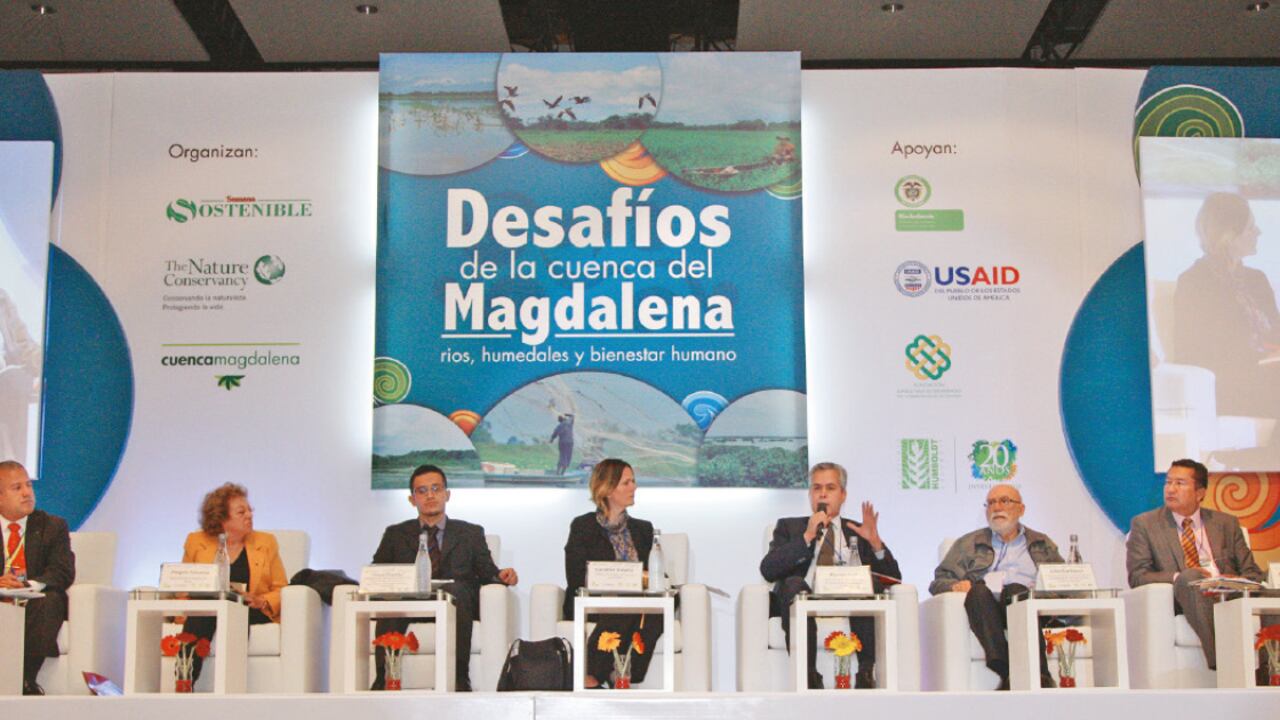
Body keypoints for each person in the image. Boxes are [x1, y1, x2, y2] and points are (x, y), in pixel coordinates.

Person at [370, 464, 517, 691]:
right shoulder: (395, 534)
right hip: (410, 603)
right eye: (422, 491)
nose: (430, 495)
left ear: (447, 494)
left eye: (436, 489)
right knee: (393, 604)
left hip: (457, 605)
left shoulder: (470, 533)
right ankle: (384, 680)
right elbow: (379, 572)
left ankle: (459, 678)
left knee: (456, 591)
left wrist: (502, 576)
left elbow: (488, 570)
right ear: (412, 499)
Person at [760, 461, 900, 689]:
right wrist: (807, 536)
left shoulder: (858, 530)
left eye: (830, 488)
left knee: (869, 583)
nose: (823, 494)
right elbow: (768, 569)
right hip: (806, 594)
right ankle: (809, 676)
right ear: (809, 494)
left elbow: (893, 580)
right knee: (793, 584)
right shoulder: (790, 527)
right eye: (817, 488)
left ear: (843, 495)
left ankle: (866, 672)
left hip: (850, 597)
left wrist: (875, 543)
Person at [1127, 458, 1266, 672]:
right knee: (1190, 578)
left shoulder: (1225, 523)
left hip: (1229, 594)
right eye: (1168, 482)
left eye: (1180, 483)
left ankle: (1270, 671)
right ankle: (1224, 664)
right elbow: (1138, 576)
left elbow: (1253, 574)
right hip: (1183, 596)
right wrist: (1179, 577)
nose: (1170, 489)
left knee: (1272, 593)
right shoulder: (1145, 524)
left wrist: (1233, 580)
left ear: (1200, 492)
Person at [929, 483, 1061, 689]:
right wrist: (954, 585)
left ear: (1021, 509)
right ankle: (1008, 672)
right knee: (978, 591)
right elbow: (939, 580)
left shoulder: (1042, 543)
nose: (997, 507)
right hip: (986, 611)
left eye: (1005, 501)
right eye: (991, 502)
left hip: (1027, 607)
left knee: (1015, 590)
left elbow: (1061, 580)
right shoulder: (968, 543)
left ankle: (1038, 675)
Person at [1172, 192, 1280, 436]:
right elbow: (1189, 352)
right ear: (1228, 235)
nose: (1259, 232)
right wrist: (1257, 359)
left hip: (1269, 375)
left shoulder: (1257, 279)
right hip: (1229, 385)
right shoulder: (1194, 282)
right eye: (1251, 227)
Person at [564, 458, 664, 688]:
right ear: (607, 489)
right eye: (626, 482)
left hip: (638, 603)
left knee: (657, 610)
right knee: (627, 605)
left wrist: (645, 579)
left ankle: (612, 673)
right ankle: (607, 675)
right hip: (595, 602)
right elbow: (576, 576)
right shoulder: (583, 526)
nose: (634, 487)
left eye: (634, 481)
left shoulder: (643, 529)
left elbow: (654, 574)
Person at [181, 483, 288, 681]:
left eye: (250, 510)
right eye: (241, 512)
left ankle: (231, 684)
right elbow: (184, 585)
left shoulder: (266, 542)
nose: (249, 515)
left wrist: (261, 600)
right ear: (221, 518)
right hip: (209, 609)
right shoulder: (196, 541)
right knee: (201, 615)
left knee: (234, 614)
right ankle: (184, 681)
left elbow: (282, 589)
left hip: (249, 609)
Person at [0, 460, 73, 695]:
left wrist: (25, 585)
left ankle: (24, 679)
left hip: (33, 599)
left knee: (49, 599)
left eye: (28, 486)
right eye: (17, 488)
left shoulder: (52, 525)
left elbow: (62, 571)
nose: (26, 493)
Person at [0, 288, 41, 464]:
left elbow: (24, 344)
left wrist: (47, 369)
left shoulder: (2, 298)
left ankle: (13, 476)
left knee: (15, 379)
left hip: (8, 385)